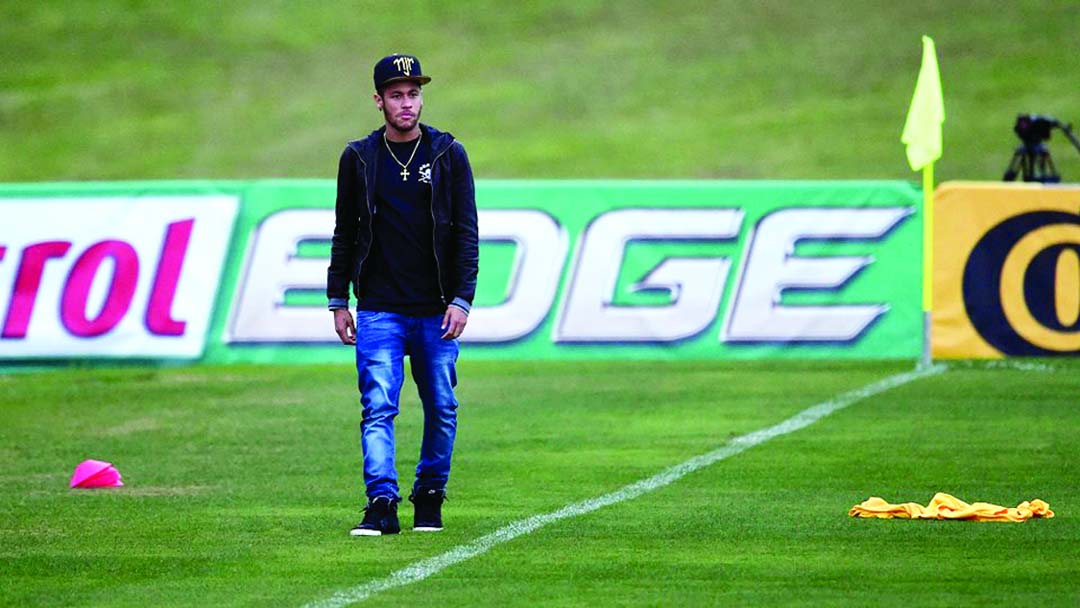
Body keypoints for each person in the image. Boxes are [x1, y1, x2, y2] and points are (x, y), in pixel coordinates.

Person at [326, 53, 478, 537]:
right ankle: (381, 503)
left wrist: (462, 298)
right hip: (378, 310)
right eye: (396, 95)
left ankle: (429, 496)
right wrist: (338, 300)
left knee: (443, 407)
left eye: (413, 94)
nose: (407, 103)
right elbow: (345, 232)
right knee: (378, 407)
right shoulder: (359, 158)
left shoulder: (448, 154)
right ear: (379, 101)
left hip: (437, 310)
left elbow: (466, 232)